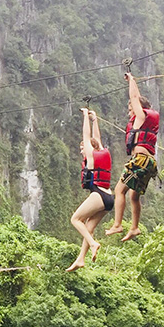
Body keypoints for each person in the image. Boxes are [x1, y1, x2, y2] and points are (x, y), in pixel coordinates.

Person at [105, 72, 159, 241]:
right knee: (133, 196)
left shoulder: (141, 117)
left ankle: (117, 225)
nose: (129, 114)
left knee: (119, 190)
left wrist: (132, 81)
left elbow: (134, 96)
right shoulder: (145, 121)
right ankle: (134, 227)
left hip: (140, 160)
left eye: (130, 110)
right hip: (150, 163)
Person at [66, 108, 114, 272]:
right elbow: (96, 138)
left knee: (75, 220)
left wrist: (85, 116)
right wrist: (95, 120)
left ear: (89, 148)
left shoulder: (91, 156)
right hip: (109, 198)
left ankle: (93, 244)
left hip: (99, 195)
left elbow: (87, 137)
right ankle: (81, 259)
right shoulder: (102, 151)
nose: (81, 150)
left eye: (82, 148)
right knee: (89, 227)